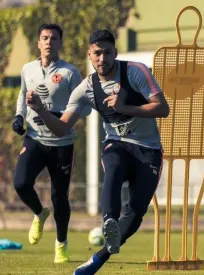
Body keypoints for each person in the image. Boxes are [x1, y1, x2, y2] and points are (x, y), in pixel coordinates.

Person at [26, 29, 169, 275]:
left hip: (149, 150)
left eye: (107, 53)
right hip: (117, 142)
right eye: (97, 54)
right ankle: (108, 221)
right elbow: (62, 128)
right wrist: (40, 110)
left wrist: (126, 107)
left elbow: (162, 108)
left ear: (115, 52)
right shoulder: (85, 89)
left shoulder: (135, 71)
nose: (102, 59)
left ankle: (98, 258)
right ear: (89, 56)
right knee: (113, 167)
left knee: (135, 215)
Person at [12, 23, 91, 264]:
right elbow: (23, 96)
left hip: (62, 144)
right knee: (21, 183)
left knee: (59, 198)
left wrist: (58, 115)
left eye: (53, 38)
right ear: (38, 43)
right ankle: (39, 212)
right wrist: (18, 116)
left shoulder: (70, 73)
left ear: (60, 43)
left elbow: (84, 108)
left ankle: (61, 245)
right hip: (35, 139)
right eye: (44, 37)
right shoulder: (27, 69)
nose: (48, 42)